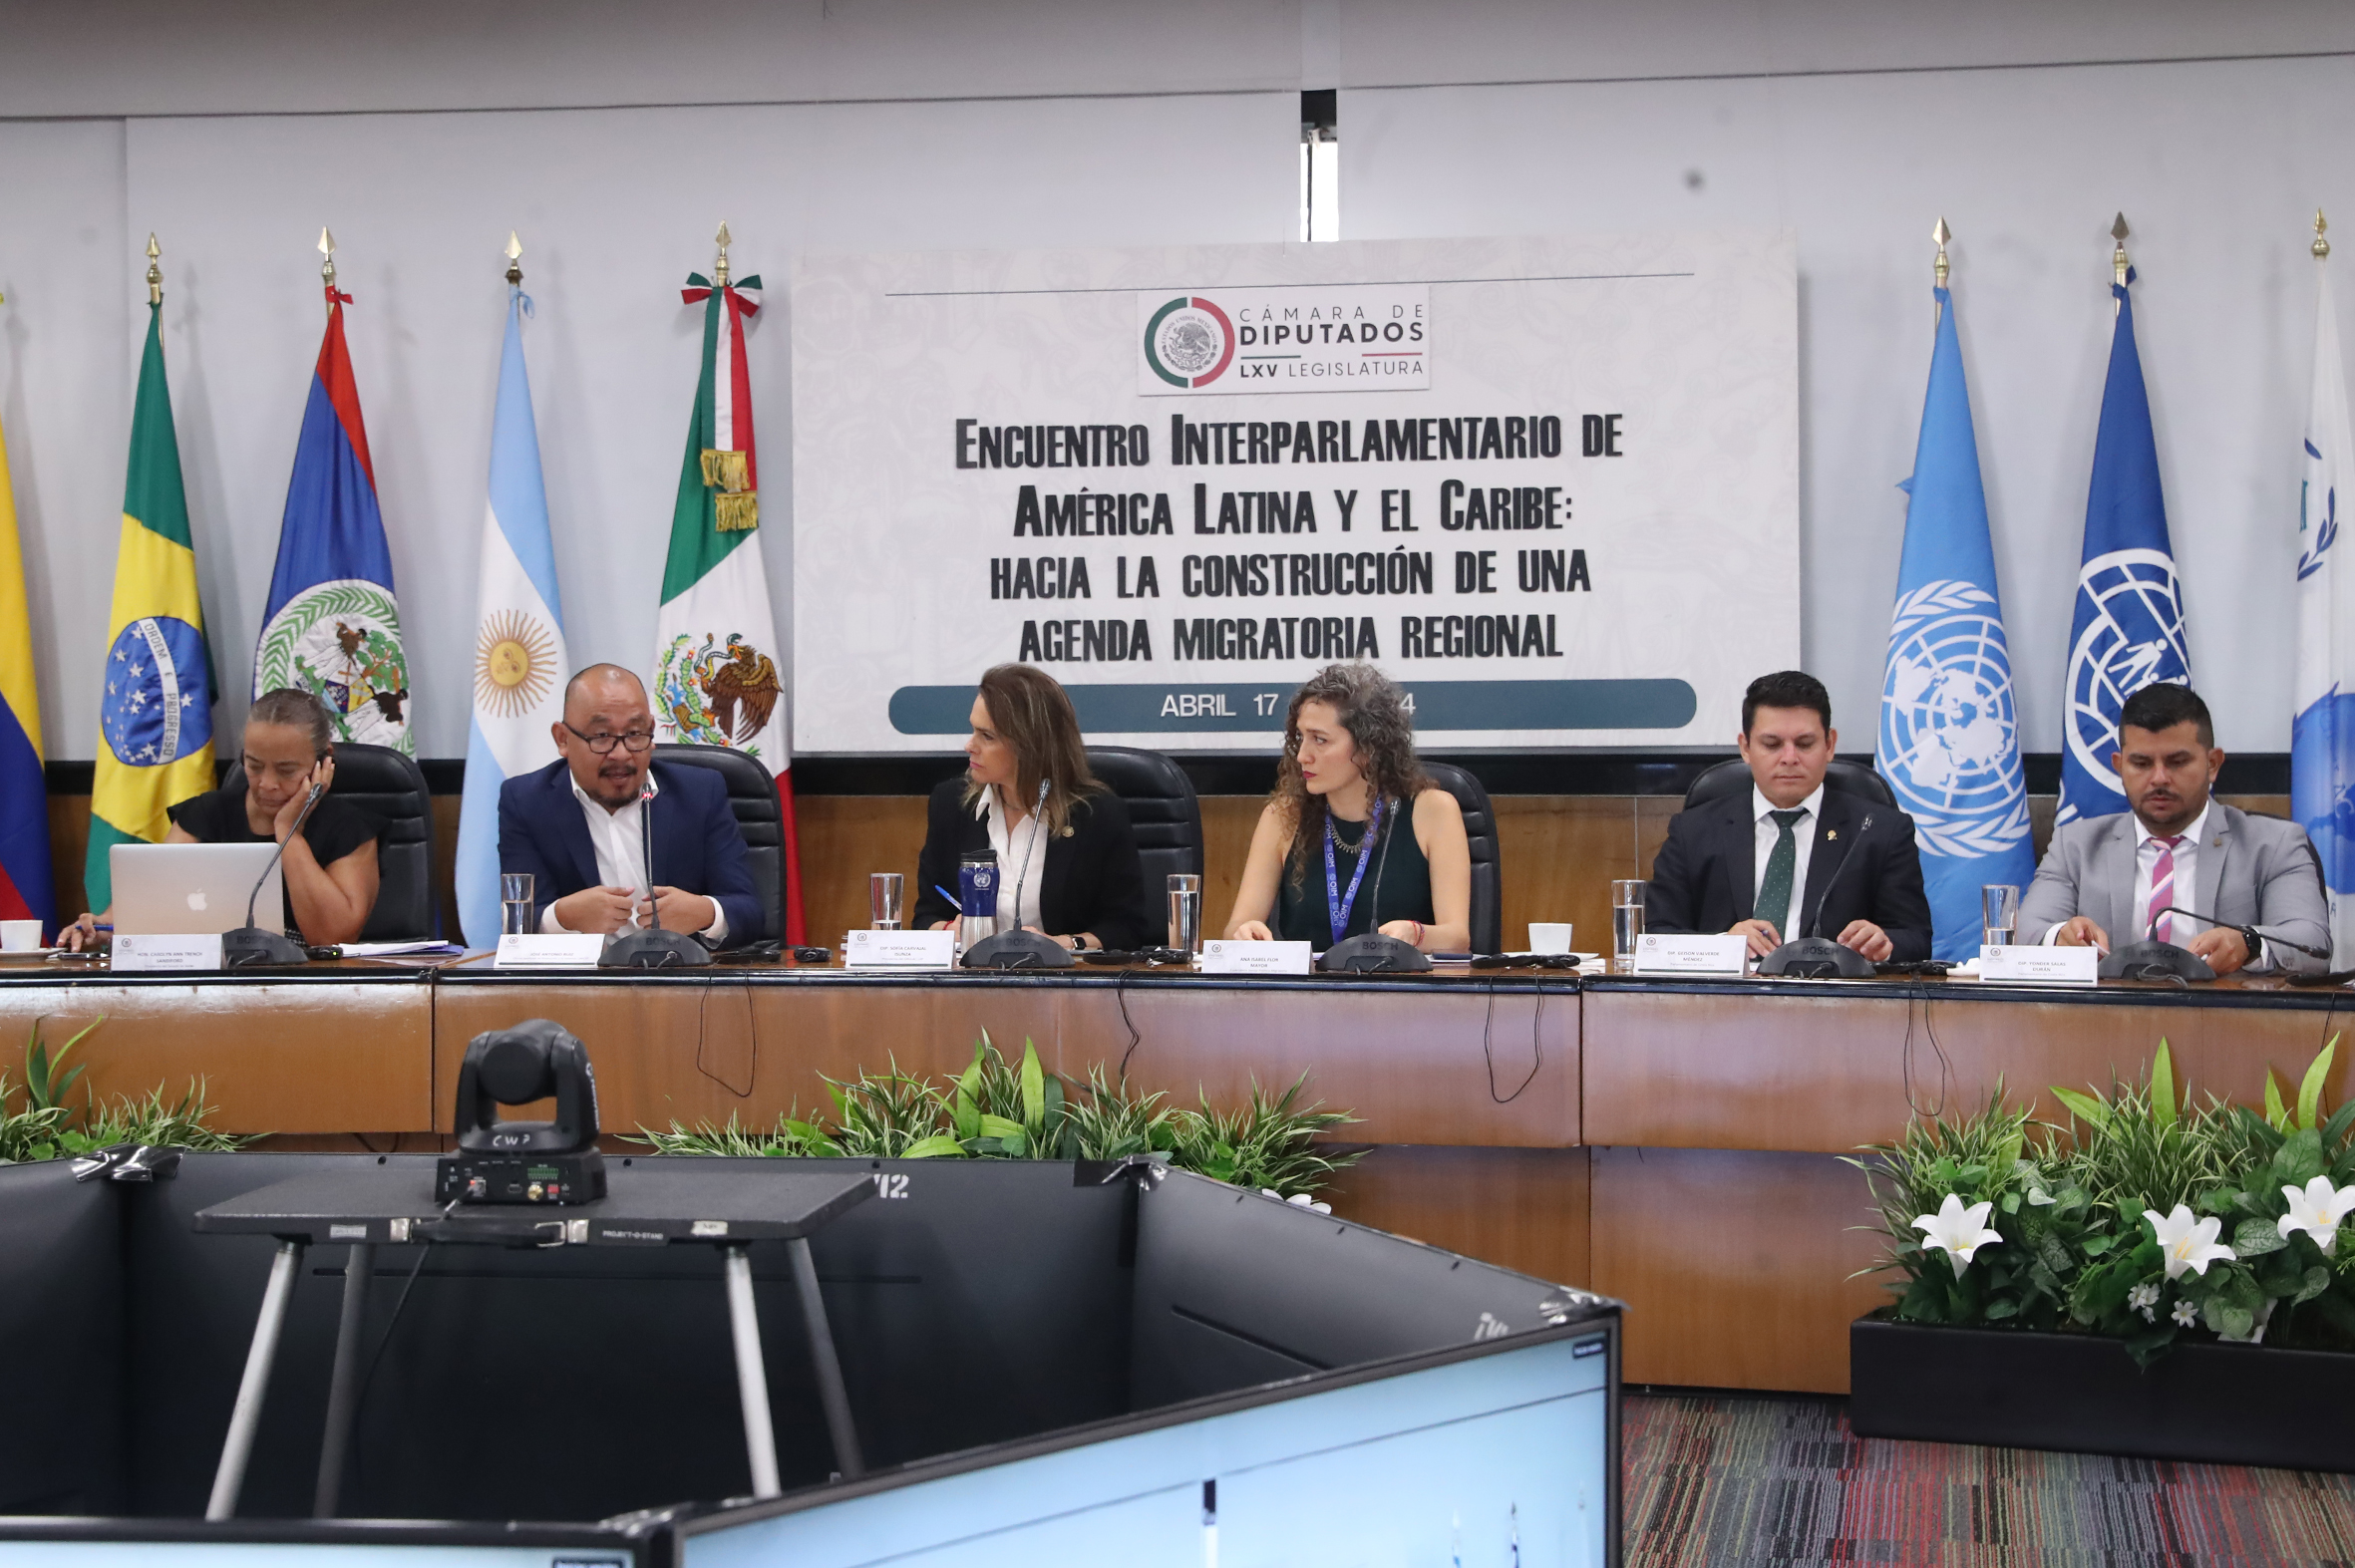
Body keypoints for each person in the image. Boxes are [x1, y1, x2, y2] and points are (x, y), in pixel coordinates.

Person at [2020, 682, 2329, 975]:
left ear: (2213, 764)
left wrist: (2249, 943)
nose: (2159, 778)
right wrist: (2059, 936)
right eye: (2141, 763)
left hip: (2226, 1011)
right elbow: (2026, 932)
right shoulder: (2075, 847)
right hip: (2110, 1013)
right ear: (2119, 765)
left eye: (2177, 762)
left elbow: (2313, 944)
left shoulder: (2274, 844)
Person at [62, 687, 381, 950]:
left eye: (286, 770)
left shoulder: (349, 828)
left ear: (324, 761)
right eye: (254, 765)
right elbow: (144, 903)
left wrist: (288, 833)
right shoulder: (208, 814)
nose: (267, 783)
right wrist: (100, 927)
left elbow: (331, 940)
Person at [1646, 669, 1932, 963]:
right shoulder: (1693, 831)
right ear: (1745, 748)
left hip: (1834, 990)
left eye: (1805, 744)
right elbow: (1657, 936)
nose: (1789, 758)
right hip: (1728, 990)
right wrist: (1723, 947)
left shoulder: (1879, 831)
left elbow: (1916, 938)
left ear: (1829, 745)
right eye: (1772, 745)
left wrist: (1884, 944)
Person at [499, 664, 761, 943]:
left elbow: (750, 912)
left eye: (635, 733)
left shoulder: (700, 793)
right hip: (586, 971)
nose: (621, 754)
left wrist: (703, 913)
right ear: (563, 739)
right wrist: (562, 918)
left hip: (679, 968)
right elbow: (518, 922)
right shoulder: (527, 801)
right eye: (602, 736)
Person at [1225, 663, 1472, 952]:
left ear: (1367, 748)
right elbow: (1236, 927)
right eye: (1300, 738)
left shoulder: (1433, 811)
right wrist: (1244, 932)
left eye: (1320, 740)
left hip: (1397, 978)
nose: (1303, 755)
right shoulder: (1282, 815)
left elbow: (1457, 938)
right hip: (1306, 980)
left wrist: (1416, 933)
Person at [910, 664, 1153, 951]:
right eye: (973, 730)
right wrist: (950, 930)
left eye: (987, 736)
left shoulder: (1097, 814)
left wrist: (1061, 944)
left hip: (1063, 977)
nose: (969, 745)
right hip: (973, 975)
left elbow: (1126, 928)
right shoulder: (951, 805)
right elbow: (926, 915)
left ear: (1030, 745)